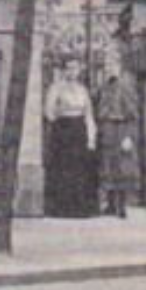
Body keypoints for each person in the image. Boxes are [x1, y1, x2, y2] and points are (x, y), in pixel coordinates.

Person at [43, 57, 96, 218]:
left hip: (79, 131)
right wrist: (59, 115)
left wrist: (91, 137)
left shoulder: (83, 90)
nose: (72, 72)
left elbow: (88, 114)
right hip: (63, 132)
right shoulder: (56, 88)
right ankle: (61, 208)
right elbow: (48, 111)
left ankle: (79, 209)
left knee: (79, 169)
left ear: (79, 70)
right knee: (63, 168)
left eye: (75, 68)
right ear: (64, 70)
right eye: (69, 68)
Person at [96, 60, 141, 218]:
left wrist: (129, 136)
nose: (110, 69)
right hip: (107, 128)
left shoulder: (126, 87)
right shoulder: (103, 87)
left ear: (119, 68)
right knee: (108, 167)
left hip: (121, 129)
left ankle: (122, 206)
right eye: (107, 66)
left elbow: (133, 115)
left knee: (123, 168)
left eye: (113, 66)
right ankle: (110, 204)